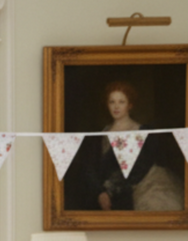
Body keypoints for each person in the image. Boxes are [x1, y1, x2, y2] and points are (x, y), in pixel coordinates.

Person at [67, 81, 183, 212]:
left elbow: (140, 168)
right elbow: (89, 169)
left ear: (130, 105)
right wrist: (100, 193)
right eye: (112, 102)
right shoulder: (99, 135)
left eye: (121, 102)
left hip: (145, 185)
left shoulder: (144, 132)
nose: (116, 106)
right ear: (107, 104)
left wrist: (110, 191)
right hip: (108, 191)